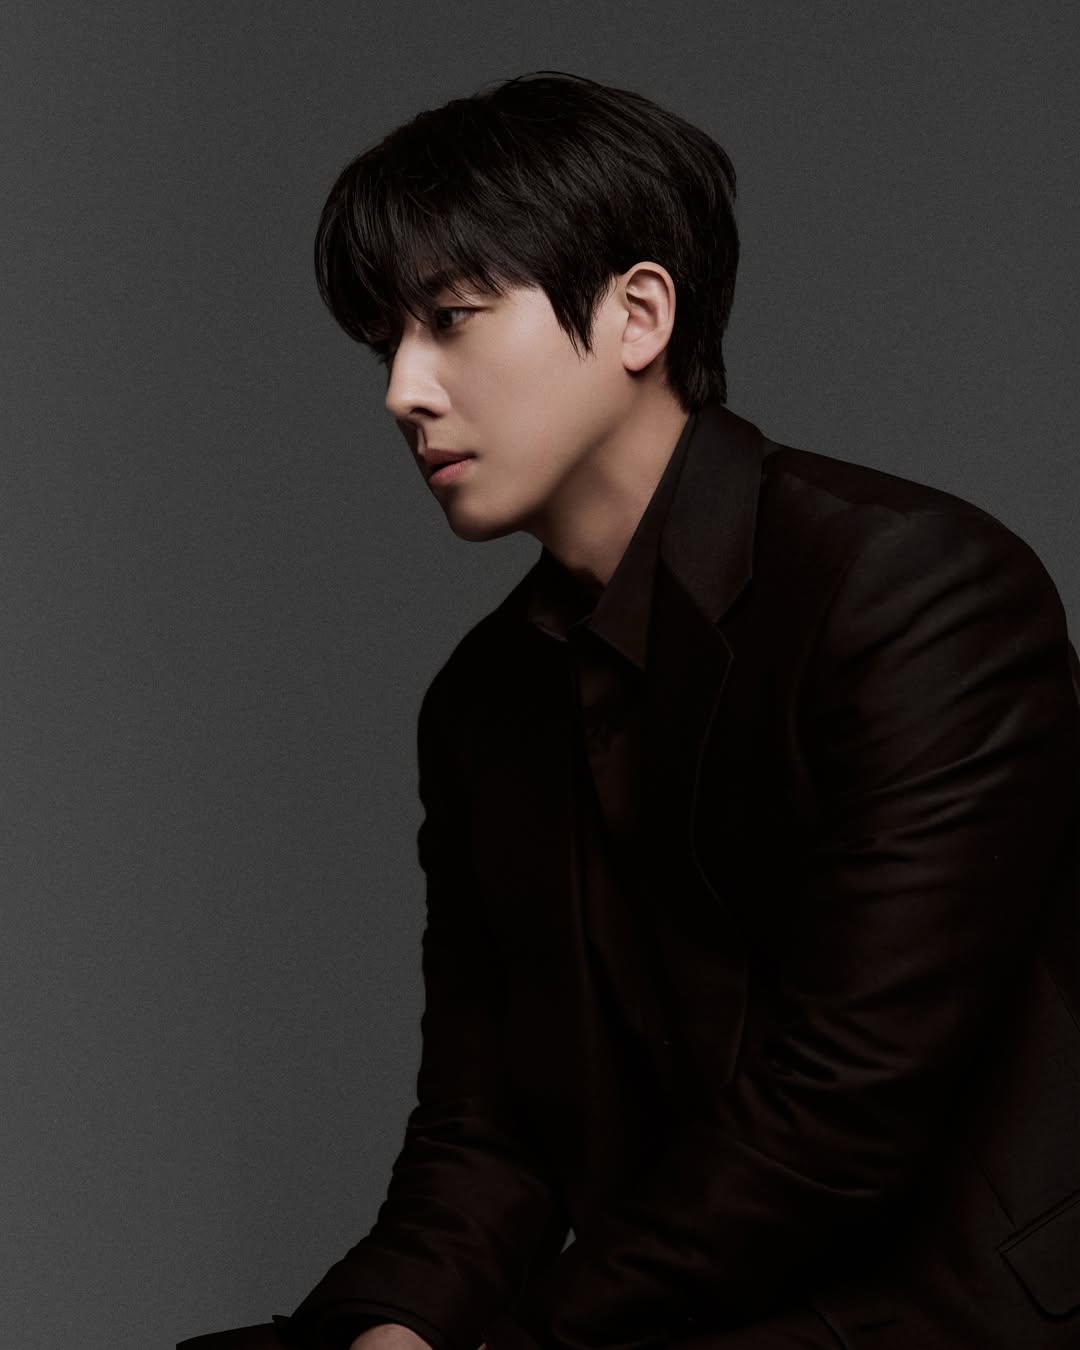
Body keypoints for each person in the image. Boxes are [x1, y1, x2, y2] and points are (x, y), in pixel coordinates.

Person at [179, 70, 1080, 1350]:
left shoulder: (913, 589)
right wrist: (393, 1332)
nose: (403, 391)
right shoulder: (484, 703)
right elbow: (486, 1131)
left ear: (638, 313)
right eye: (387, 344)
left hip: (952, 1313)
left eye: (450, 320)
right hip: (671, 1309)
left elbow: (847, 1109)